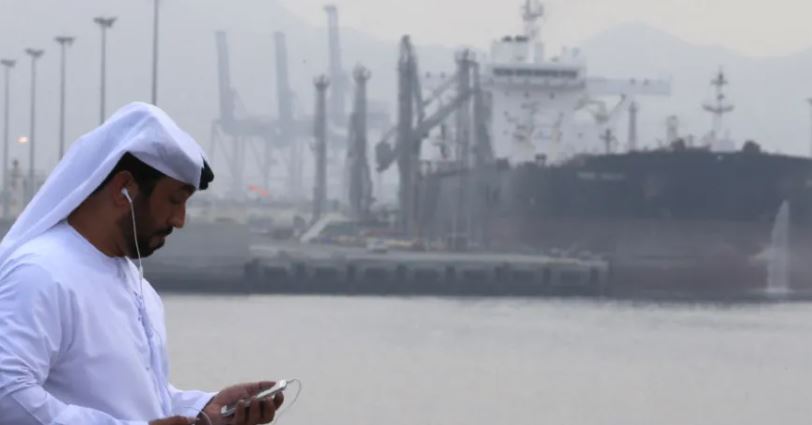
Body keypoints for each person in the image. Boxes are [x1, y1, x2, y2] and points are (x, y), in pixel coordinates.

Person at [0, 103, 283, 425]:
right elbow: (7, 393)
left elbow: (141, 397)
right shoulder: (40, 273)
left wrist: (204, 410)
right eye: (174, 200)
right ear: (124, 189)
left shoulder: (137, 286)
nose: (179, 220)